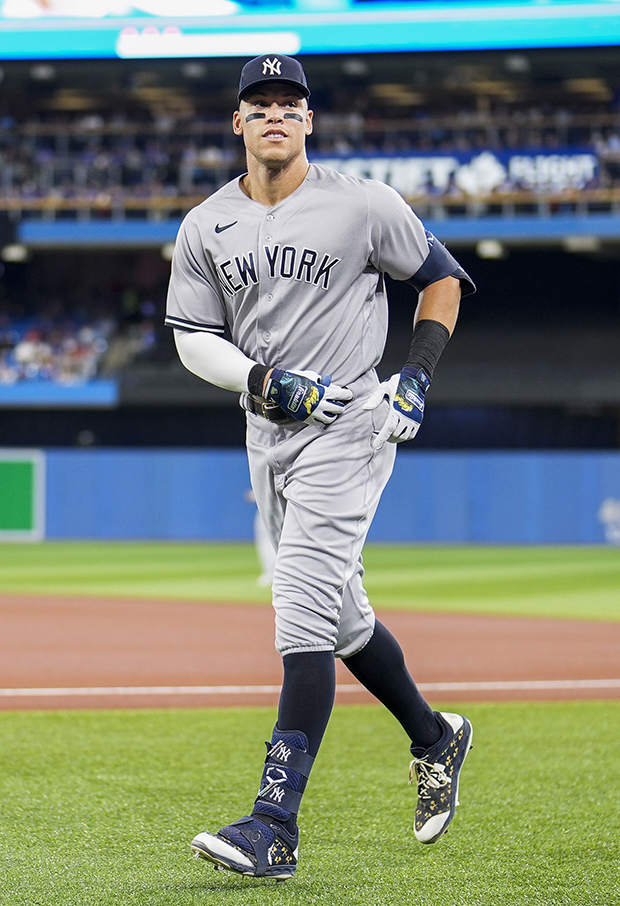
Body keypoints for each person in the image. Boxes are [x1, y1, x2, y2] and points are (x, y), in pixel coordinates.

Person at [165, 54, 476, 881]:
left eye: (288, 103)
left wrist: (415, 376)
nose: (275, 113)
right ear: (237, 122)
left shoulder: (362, 202)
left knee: (300, 609)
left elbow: (441, 278)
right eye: (259, 102)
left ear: (310, 121)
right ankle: (434, 736)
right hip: (267, 434)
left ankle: (274, 826)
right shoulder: (206, 225)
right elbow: (192, 338)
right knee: (339, 622)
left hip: (351, 425)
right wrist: (262, 379)